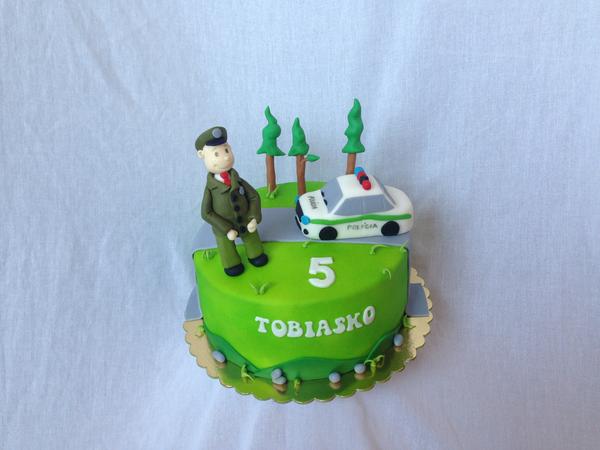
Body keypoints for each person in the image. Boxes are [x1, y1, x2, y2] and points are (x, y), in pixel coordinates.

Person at [195, 126, 268, 276]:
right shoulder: (210, 189)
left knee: (252, 240)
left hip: (245, 222)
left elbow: (254, 197)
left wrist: (253, 217)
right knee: (226, 247)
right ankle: (232, 264)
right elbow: (206, 213)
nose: (226, 157)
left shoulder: (238, 180)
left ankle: (255, 254)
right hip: (223, 228)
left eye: (226, 150)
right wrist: (226, 229)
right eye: (216, 154)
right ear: (202, 155)